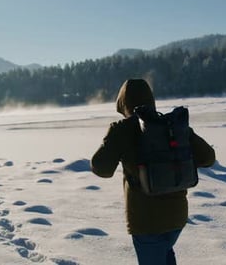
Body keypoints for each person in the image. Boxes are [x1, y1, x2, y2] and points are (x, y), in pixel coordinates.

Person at [91, 79, 215, 265]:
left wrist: (112, 140)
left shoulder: (122, 130)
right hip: (177, 216)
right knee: (165, 253)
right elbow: (208, 157)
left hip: (146, 221)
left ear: (123, 103)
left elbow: (101, 168)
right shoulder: (170, 125)